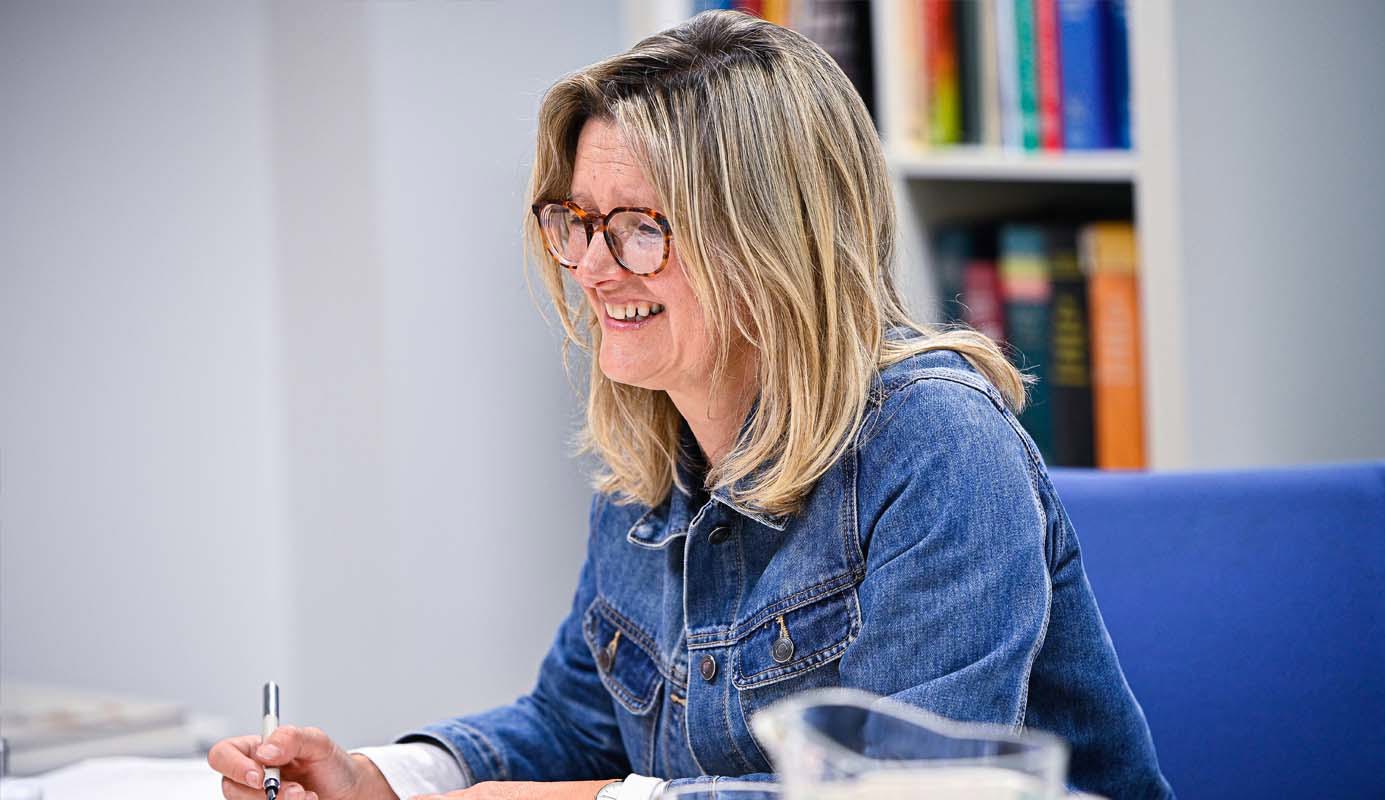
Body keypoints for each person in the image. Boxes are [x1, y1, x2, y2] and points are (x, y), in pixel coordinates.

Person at [209, 10, 1172, 800]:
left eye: (638, 229)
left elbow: (911, 791)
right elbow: (574, 724)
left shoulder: (937, 445)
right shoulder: (652, 448)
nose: (590, 267)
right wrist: (383, 779)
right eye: (576, 223)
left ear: (771, 238)